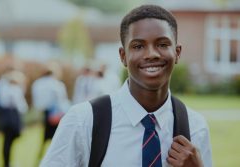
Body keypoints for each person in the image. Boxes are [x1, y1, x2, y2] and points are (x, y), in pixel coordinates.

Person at [40, 4, 212, 167]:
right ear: (123, 56)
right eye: (138, 46)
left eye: (162, 44)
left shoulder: (195, 127)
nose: (151, 54)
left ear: (177, 52)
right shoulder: (83, 121)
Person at [31, 63, 71, 162]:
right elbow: (62, 99)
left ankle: (42, 157)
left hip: (44, 112)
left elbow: (36, 100)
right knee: (56, 136)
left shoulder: (37, 83)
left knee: (45, 137)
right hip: (55, 113)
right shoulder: (56, 84)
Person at [0, 69, 28, 167]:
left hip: (5, 118)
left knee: (7, 142)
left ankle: (7, 162)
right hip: (12, 119)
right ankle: (7, 163)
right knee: (8, 142)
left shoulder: (4, 87)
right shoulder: (14, 89)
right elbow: (21, 106)